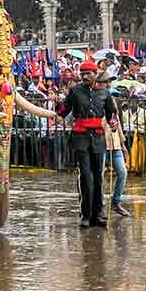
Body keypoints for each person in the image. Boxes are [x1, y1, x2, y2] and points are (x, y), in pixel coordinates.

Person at [55, 59, 117, 227]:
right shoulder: (74, 91)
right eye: (82, 73)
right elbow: (62, 111)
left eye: (88, 73)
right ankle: (86, 214)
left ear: (95, 74)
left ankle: (99, 213)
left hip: (98, 138)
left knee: (98, 176)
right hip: (80, 137)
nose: (85, 76)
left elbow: (112, 114)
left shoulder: (105, 93)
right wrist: (58, 104)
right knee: (85, 177)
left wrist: (113, 123)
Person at [103, 105, 130, 216]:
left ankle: (116, 202)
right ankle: (99, 203)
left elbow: (118, 129)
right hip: (103, 147)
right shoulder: (100, 113)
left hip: (116, 146)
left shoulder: (115, 114)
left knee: (122, 173)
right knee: (99, 175)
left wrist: (123, 145)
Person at [121, 97, 146, 174]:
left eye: (133, 103)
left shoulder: (145, 113)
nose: (131, 105)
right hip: (128, 136)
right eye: (130, 103)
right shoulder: (125, 113)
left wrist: (137, 129)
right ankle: (129, 164)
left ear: (138, 104)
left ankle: (136, 165)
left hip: (141, 136)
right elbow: (124, 125)